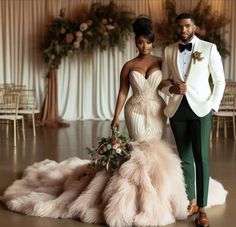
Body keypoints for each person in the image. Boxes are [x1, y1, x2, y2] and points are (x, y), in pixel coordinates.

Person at [1, 16, 227, 227]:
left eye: (148, 43)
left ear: (152, 43)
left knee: (156, 152)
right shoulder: (130, 65)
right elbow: (123, 93)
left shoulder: (164, 58)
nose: (144, 47)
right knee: (140, 149)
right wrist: (116, 116)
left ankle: (163, 194)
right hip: (135, 110)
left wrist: (189, 94)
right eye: (140, 43)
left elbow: (168, 82)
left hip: (158, 109)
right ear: (135, 43)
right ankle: (136, 197)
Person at [160, 13, 226, 227]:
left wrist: (213, 106)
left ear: (194, 26)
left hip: (201, 109)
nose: (184, 30)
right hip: (178, 110)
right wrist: (172, 88)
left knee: (201, 158)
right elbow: (162, 82)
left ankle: (203, 208)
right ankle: (192, 202)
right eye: (180, 27)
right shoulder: (169, 50)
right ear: (176, 28)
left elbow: (219, 81)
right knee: (185, 158)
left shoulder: (208, 48)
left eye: (187, 26)